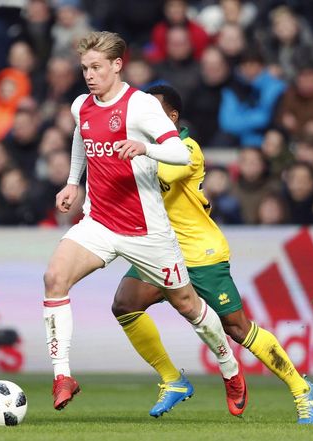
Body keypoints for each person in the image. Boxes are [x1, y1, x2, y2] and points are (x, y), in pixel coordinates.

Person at [111, 84, 313, 424]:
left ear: (172, 117)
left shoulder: (187, 148)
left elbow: (161, 171)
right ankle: (173, 380)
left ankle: (301, 389)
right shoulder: (140, 147)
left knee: (238, 328)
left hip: (199, 252)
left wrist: (125, 153)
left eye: (153, 110)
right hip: (161, 251)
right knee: (125, 304)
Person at [43, 31, 228, 414]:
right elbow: (81, 136)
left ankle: (229, 367)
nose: (89, 75)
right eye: (84, 68)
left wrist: (145, 147)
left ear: (117, 65)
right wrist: (73, 182)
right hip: (99, 222)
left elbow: (180, 153)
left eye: (96, 67)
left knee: (189, 305)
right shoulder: (82, 106)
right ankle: (62, 377)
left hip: (147, 231)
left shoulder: (141, 106)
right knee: (54, 278)